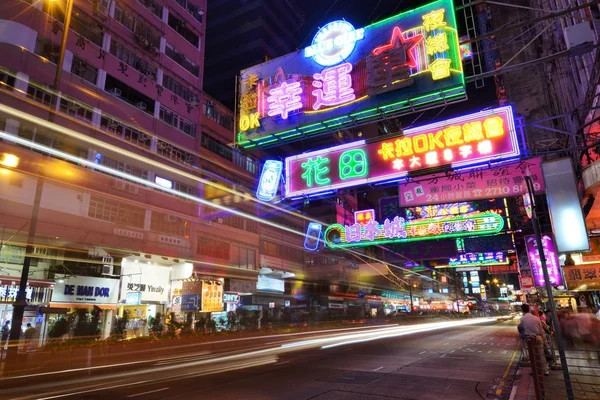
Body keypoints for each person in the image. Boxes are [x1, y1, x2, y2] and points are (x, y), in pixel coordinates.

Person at [518, 304, 549, 376]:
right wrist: (544, 339)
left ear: (522, 310)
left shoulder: (523, 319)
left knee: (532, 355)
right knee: (541, 354)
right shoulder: (536, 318)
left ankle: (535, 370)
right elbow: (541, 330)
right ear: (529, 309)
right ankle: (545, 370)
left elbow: (522, 329)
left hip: (530, 339)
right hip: (538, 337)